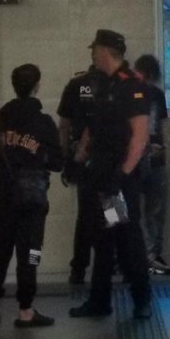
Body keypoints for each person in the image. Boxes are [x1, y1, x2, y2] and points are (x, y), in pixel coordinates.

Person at [68, 29, 153, 321]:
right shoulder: (102, 85)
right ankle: (99, 300)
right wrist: (77, 159)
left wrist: (122, 175)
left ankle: (141, 299)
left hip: (119, 181)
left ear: (105, 51)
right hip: (100, 177)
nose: (91, 54)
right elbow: (93, 128)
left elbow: (140, 137)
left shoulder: (131, 86)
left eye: (95, 49)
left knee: (126, 238)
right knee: (102, 238)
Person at [0, 63, 63, 328]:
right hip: (33, 201)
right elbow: (57, 162)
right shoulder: (43, 122)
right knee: (31, 253)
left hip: (5, 196)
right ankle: (26, 309)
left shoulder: (3, 118)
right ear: (37, 85)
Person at [57, 61, 108, 285]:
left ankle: (79, 268)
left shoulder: (76, 84)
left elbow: (64, 127)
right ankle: (116, 262)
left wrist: (66, 159)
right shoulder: (116, 84)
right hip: (111, 165)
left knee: (86, 216)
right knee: (115, 214)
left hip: (83, 162)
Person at [134, 54, 170, 276]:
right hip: (155, 156)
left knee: (120, 211)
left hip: (131, 159)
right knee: (155, 211)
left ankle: (121, 255)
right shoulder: (157, 94)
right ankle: (152, 255)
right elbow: (160, 127)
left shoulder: (126, 91)